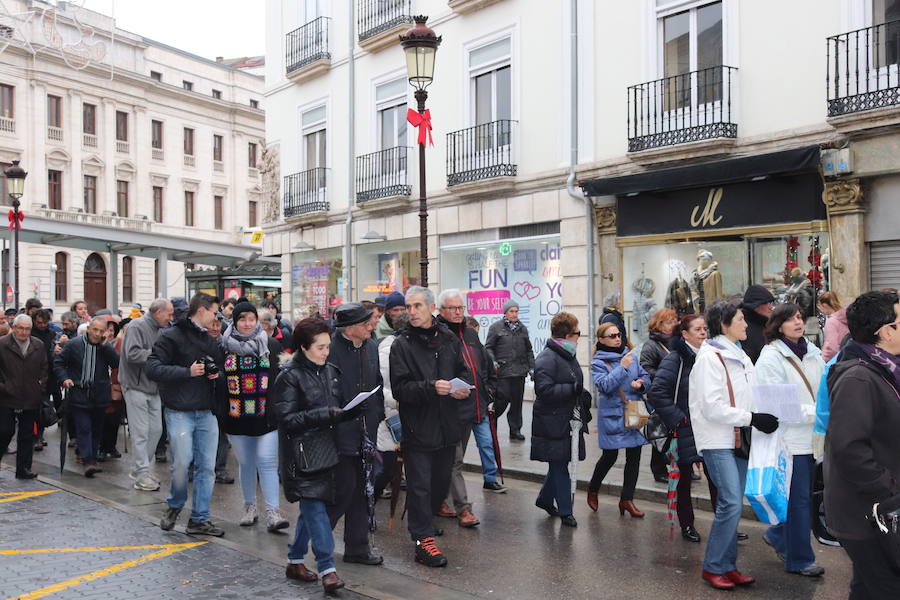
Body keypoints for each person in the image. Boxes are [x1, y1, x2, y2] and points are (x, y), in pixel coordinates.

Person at [689, 300, 779, 590]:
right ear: (724, 325)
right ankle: (713, 566)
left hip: (740, 438)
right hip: (718, 441)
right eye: (740, 319)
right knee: (729, 503)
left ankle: (728, 566)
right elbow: (711, 407)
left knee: (733, 504)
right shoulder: (709, 358)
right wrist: (752, 417)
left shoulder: (738, 355)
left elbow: (749, 396)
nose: (746, 324)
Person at [272, 317, 357, 593]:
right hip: (301, 456)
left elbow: (337, 405)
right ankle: (327, 568)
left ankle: (295, 560)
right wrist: (326, 415)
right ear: (304, 347)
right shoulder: (289, 376)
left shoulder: (330, 370)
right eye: (320, 347)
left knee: (312, 512)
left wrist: (350, 411)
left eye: (327, 346)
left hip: (328, 450)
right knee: (316, 510)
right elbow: (285, 420)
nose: (326, 352)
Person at [825, 291, 900, 598]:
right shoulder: (859, 377)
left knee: (867, 589)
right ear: (886, 332)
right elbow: (849, 448)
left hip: (876, 511)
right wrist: (890, 487)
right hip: (867, 513)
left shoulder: (887, 369)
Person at [389, 286, 471, 567]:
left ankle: (425, 525)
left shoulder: (448, 338)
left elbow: (463, 372)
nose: (411, 312)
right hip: (418, 427)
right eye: (408, 307)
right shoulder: (402, 344)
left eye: (417, 306)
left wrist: (462, 388)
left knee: (438, 486)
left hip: (447, 426)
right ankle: (422, 541)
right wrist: (431, 387)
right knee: (420, 487)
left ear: (431, 307)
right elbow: (400, 389)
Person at [755, 303, 825, 577]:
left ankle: (779, 535)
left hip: (814, 439)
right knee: (799, 501)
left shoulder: (813, 352)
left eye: (800, 317)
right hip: (789, 441)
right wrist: (818, 414)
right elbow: (778, 406)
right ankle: (799, 559)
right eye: (791, 318)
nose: (798, 322)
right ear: (778, 324)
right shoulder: (771, 357)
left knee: (803, 499)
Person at [147, 292, 225, 537]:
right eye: (214, 312)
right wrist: (186, 372)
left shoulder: (211, 339)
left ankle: (200, 519)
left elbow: (221, 369)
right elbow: (152, 368)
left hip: (206, 410)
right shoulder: (171, 336)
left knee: (207, 467)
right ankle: (174, 505)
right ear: (201, 310)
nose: (217, 318)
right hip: (179, 411)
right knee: (181, 464)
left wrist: (217, 375)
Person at [219, 301, 288, 532]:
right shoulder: (223, 346)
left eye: (251, 319)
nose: (247, 324)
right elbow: (219, 381)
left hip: (266, 417)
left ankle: (273, 512)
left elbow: (281, 379)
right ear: (235, 321)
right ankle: (249, 506)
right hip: (236, 417)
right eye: (242, 319)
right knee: (247, 463)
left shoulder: (271, 344)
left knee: (267, 462)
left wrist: (280, 407)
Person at [435, 290, 500, 528]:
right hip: (449, 408)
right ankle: (463, 508)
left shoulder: (471, 335)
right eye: (452, 308)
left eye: (460, 308)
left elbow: (485, 366)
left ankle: (440, 499)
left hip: (474, 407)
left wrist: (488, 392)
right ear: (441, 310)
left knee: (449, 461)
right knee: (454, 460)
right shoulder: (438, 336)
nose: (458, 312)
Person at [327, 302, 385, 565]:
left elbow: (377, 382)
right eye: (366, 323)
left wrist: (378, 414)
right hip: (340, 430)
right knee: (342, 490)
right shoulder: (329, 350)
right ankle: (317, 541)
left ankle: (357, 548)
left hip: (367, 428)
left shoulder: (371, 346)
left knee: (364, 488)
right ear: (349, 329)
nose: (371, 326)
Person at [647, 314, 712, 542]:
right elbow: (657, 392)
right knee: (683, 479)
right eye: (698, 329)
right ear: (684, 334)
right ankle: (687, 525)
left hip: (708, 427)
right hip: (684, 428)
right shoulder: (675, 359)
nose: (703, 333)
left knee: (716, 478)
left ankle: (726, 524)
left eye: (705, 328)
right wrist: (678, 419)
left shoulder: (711, 356)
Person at [587, 321, 650, 518]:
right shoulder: (598, 362)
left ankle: (627, 499)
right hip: (613, 415)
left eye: (619, 335)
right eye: (612, 336)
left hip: (634, 411)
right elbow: (604, 386)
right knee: (610, 456)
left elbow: (646, 376)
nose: (617, 339)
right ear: (601, 340)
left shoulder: (631, 357)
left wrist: (641, 383)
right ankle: (593, 488)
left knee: (634, 455)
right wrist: (621, 368)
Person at [531, 311, 588, 527]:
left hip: (567, 420)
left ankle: (545, 499)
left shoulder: (566, 355)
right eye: (577, 333)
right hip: (552, 422)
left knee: (559, 462)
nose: (579, 337)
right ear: (567, 335)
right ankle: (566, 511)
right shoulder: (547, 357)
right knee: (559, 465)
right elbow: (543, 390)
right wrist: (572, 389)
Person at [54, 316, 120, 478]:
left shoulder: (105, 348)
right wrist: (65, 378)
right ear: (89, 328)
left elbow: (116, 363)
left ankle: (90, 457)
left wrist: (106, 347)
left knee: (97, 429)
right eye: (95, 329)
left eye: (101, 331)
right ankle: (88, 461)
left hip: (100, 394)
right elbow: (59, 362)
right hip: (79, 393)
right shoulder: (74, 344)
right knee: (84, 428)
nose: (97, 334)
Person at [119, 298, 173, 491]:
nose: (171, 317)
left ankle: (139, 468)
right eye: (169, 313)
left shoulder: (159, 329)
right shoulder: (136, 326)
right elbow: (132, 354)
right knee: (141, 432)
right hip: (135, 385)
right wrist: (157, 356)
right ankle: (142, 473)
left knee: (156, 430)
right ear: (158, 312)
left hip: (153, 386)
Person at [0, 314, 47, 479]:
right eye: (20, 328)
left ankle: (23, 469)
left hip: (30, 397)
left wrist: (40, 386)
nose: (24, 332)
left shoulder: (38, 345)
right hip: (6, 397)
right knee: (5, 431)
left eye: (27, 329)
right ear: (13, 327)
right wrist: (4, 387)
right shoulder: (3, 344)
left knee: (27, 435)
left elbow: (44, 367)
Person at [485, 299, 534, 441]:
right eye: (511, 311)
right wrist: (493, 361)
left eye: (516, 311)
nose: (514, 314)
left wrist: (532, 367)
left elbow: (529, 350)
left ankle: (515, 430)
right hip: (503, 371)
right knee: (502, 398)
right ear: (505, 313)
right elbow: (488, 347)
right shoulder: (496, 328)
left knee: (517, 403)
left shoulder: (522, 329)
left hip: (519, 371)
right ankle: (491, 422)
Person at [639, 308, 678, 483]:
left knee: (677, 431)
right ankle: (659, 468)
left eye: (675, 321)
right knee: (660, 432)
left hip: (676, 393)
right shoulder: (651, 345)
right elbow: (645, 368)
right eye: (669, 322)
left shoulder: (676, 342)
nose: (674, 324)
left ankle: (679, 464)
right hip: (660, 394)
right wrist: (666, 375)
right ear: (659, 325)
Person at [374, 310, 409, 500]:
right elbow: (381, 385)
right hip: (391, 417)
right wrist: (396, 401)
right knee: (387, 470)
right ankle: (368, 500)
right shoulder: (387, 350)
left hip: (411, 416)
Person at [30, 309, 60, 452]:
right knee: (32, 408)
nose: (42, 325)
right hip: (31, 375)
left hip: (48, 375)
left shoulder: (52, 334)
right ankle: (34, 436)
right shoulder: (30, 334)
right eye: (39, 322)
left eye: (44, 322)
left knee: (42, 407)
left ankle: (39, 436)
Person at [739, 284, 775, 363]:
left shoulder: (767, 325)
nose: (771, 307)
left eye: (771, 303)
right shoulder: (745, 330)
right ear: (756, 306)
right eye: (767, 303)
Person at [819, 291, 848, 362]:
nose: (821, 311)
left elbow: (832, 347)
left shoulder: (831, 322)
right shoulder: (847, 316)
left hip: (836, 361)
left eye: (820, 307)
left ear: (825, 305)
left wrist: (823, 360)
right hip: (848, 356)